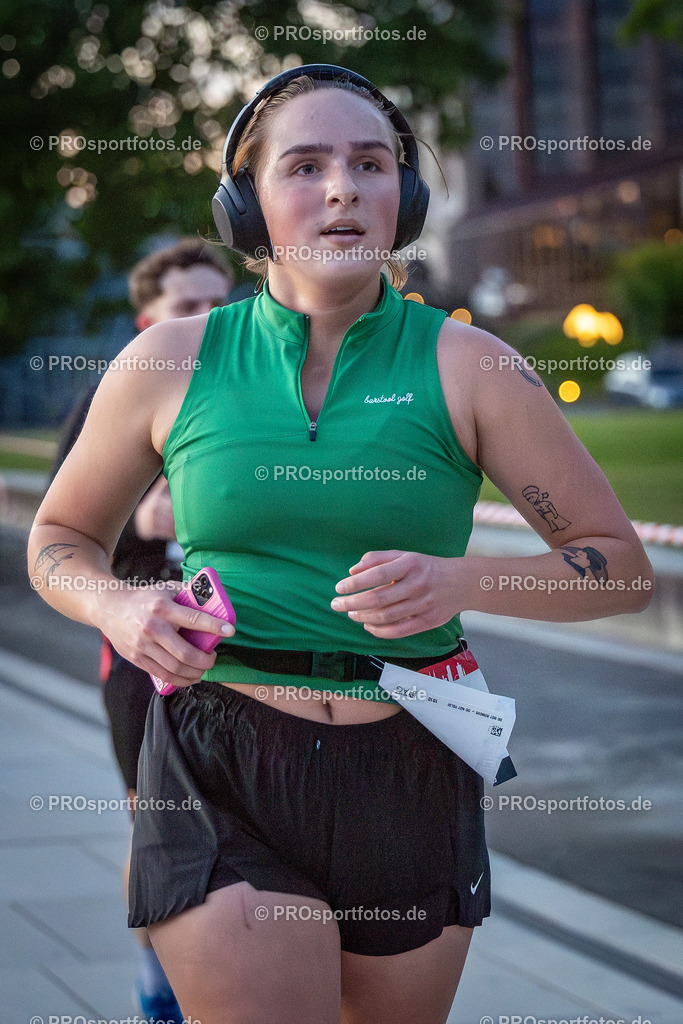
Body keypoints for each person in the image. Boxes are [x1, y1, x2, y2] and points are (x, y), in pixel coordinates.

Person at [28, 65, 654, 1024]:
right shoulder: (168, 360)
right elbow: (61, 539)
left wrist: (463, 578)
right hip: (219, 757)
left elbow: (621, 566)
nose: (340, 189)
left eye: (370, 164)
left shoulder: (473, 365)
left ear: (402, 199)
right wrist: (116, 600)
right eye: (305, 164)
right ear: (246, 204)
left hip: (411, 761)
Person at [48, 237, 233, 1024]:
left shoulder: (258, 387)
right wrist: (147, 525)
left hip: (249, 661)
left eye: (219, 303)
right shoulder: (112, 398)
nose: (207, 319)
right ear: (145, 318)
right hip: (141, 659)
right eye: (188, 306)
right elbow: (64, 537)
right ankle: (158, 989)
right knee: (153, 825)